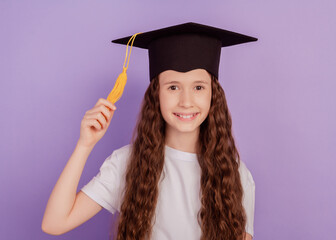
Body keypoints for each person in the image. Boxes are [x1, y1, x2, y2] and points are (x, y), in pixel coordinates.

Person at [42, 22, 257, 240]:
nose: (186, 101)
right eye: (173, 87)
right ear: (157, 95)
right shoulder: (127, 163)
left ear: (214, 95)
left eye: (198, 87)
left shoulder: (235, 174)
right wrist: (84, 145)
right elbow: (55, 223)